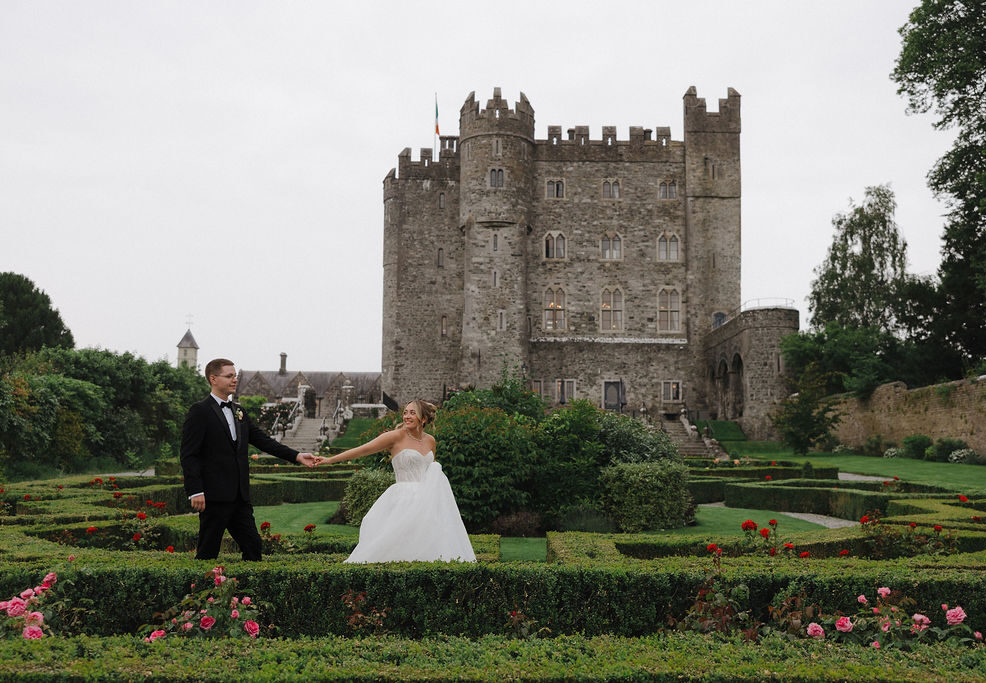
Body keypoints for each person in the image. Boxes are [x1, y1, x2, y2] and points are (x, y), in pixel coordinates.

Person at [180, 358, 316, 560]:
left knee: (253, 548)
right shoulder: (199, 411)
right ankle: (200, 590)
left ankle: (247, 590)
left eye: (235, 375)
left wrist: (296, 456)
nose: (235, 380)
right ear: (213, 379)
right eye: (229, 376)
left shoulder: (239, 411)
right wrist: (195, 490)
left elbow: (263, 441)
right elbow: (189, 454)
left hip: (240, 498)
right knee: (207, 553)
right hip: (214, 497)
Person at [315, 399, 475, 563]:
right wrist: (330, 460)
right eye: (405, 412)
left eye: (412, 413)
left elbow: (430, 470)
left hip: (427, 501)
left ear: (424, 419)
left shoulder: (430, 441)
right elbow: (363, 450)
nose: (407, 416)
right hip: (402, 499)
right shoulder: (395, 437)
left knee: (426, 546)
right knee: (393, 545)